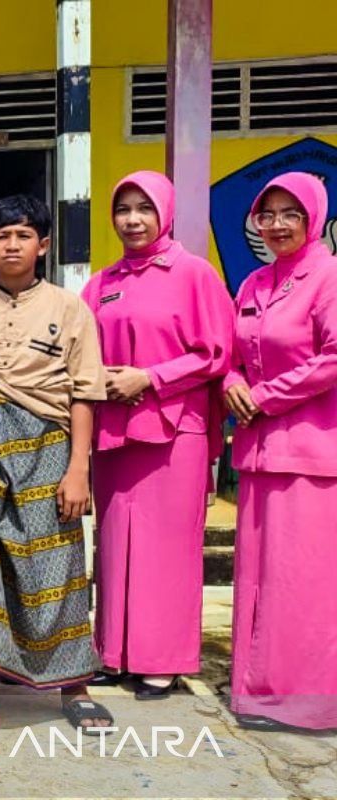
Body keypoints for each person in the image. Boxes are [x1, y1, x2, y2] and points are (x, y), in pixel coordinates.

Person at [0, 195, 113, 731]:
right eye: (0, 236)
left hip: (48, 450)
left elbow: (85, 392)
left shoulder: (68, 307)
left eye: (22, 235)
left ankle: (73, 684)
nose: (11, 245)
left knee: (55, 568)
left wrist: (78, 468)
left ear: (44, 244)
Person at [82, 171, 234, 700]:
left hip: (174, 430)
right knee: (117, 543)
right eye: (123, 208)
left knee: (169, 549)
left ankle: (162, 660)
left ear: (165, 212)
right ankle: (113, 653)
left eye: (143, 208)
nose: (132, 219)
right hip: (115, 430)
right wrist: (95, 378)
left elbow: (216, 353)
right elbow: (80, 348)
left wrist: (150, 377)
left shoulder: (194, 274)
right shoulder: (101, 282)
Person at [225, 172, 337, 732]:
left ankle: (307, 700)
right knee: (259, 579)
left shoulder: (330, 276)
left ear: (314, 217)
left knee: (303, 582)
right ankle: (257, 690)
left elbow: (335, 355)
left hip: (311, 452)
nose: (276, 226)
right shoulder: (251, 285)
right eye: (266, 215)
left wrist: (263, 395)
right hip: (257, 452)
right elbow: (230, 357)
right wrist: (230, 385)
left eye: (290, 214)